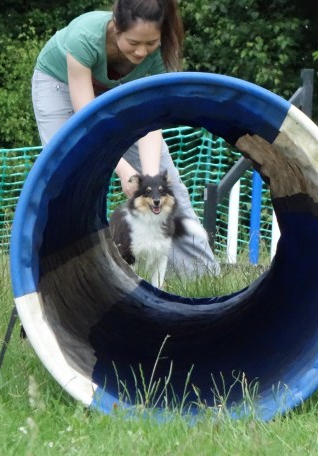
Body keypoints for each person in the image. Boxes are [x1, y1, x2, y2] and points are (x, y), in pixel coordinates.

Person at [31, 0, 220, 280]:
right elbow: (90, 123)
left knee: (169, 189)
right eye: (133, 42)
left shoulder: (157, 57)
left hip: (119, 94)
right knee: (68, 179)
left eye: (151, 43)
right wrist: (123, 171)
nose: (141, 51)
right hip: (59, 86)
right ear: (116, 27)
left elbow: (150, 122)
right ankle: (69, 277)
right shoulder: (84, 37)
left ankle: (203, 278)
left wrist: (151, 178)